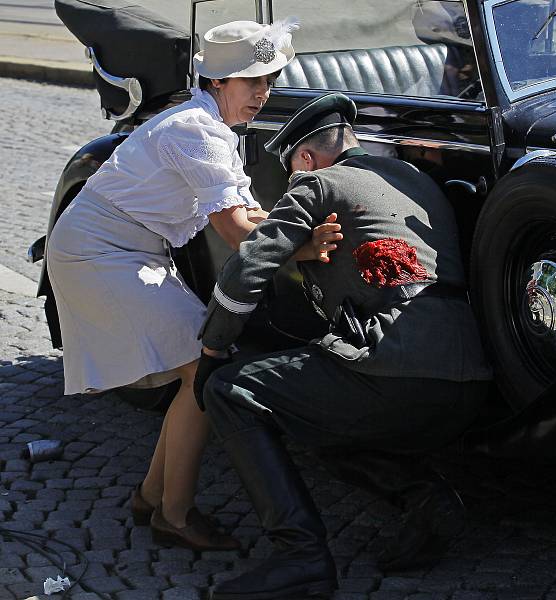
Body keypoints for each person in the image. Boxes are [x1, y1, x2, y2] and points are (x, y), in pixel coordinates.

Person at [45, 18, 340, 551]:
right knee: (204, 369)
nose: (262, 94)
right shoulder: (195, 130)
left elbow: (250, 212)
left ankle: (152, 497)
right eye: (252, 82)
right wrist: (304, 246)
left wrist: (297, 229)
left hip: (129, 250)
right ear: (218, 82)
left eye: (268, 81)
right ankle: (173, 515)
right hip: (97, 253)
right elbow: (234, 231)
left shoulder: (212, 128)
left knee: (199, 369)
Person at [194, 92, 492, 599]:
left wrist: (213, 351)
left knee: (230, 391)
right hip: (470, 383)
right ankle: (426, 499)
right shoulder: (415, 180)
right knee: (319, 410)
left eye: (292, 171)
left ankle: (301, 558)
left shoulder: (320, 183)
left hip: (392, 373)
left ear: (306, 159)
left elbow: (247, 267)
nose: (294, 181)